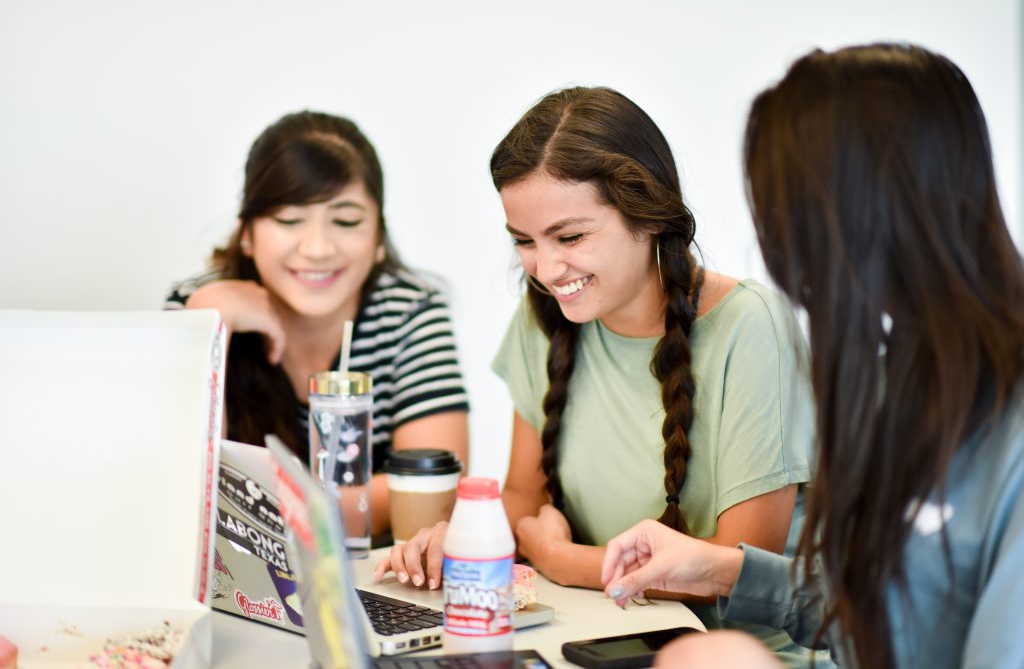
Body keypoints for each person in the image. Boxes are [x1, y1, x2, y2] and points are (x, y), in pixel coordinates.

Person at [601, 43, 1024, 669]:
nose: (776, 245)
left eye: (783, 211)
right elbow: (885, 608)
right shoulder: (900, 376)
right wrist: (724, 571)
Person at [375, 87, 829, 666]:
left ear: (648, 215)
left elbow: (735, 569)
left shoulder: (750, 326)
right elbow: (524, 494)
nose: (545, 268)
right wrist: (465, 543)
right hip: (596, 636)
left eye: (570, 237)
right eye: (524, 242)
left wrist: (566, 560)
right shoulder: (545, 316)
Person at [166, 111, 470, 536]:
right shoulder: (198, 307)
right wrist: (210, 322)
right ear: (247, 235)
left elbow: (433, 491)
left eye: (345, 221)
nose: (318, 247)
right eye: (290, 220)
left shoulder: (408, 311)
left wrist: (256, 504)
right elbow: (171, 481)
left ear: (379, 238)